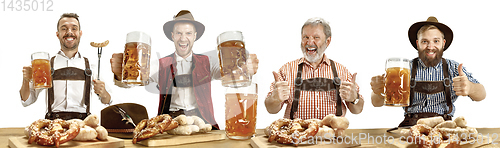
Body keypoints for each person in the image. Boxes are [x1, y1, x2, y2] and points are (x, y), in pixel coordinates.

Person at [110, 10, 259, 129]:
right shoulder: (160, 64)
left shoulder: (208, 62)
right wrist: (119, 74)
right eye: (179, 33)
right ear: (172, 36)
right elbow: (135, 81)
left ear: (194, 36)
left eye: (188, 33)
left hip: (203, 122)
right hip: (169, 123)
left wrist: (246, 69)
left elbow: (230, 74)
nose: (183, 38)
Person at [370, 16, 486, 127]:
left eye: (436, 41)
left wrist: (470, 87)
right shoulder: (405, 69)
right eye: (425, 41)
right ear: (417, 44)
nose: (430, 47)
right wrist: (379, 91)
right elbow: (376, 102)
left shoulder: (454, 67)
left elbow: (481, 94)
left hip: (445, 126)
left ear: (443, 43)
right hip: (411, 126)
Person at [264, 17, 363, 120]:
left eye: (316, 37)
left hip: (332, 134)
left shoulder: (341, 71)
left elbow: (358, 109)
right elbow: (270, 109)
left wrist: (354, 98)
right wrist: (275, 99)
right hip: (296, 134)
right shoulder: (286, 70)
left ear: (327, 41)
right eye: (305, 37)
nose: (310, 42)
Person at [19, 13, 112, 120]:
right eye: (64, 29)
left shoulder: (90, 67)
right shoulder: (45, 66)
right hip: (54, 125)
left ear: (80, 33)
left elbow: (108, 100)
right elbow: (27, 100)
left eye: (74, 28)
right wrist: (26, 80)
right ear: (57, 34)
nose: (69, 32)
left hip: (83, 125)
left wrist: (103, 92)